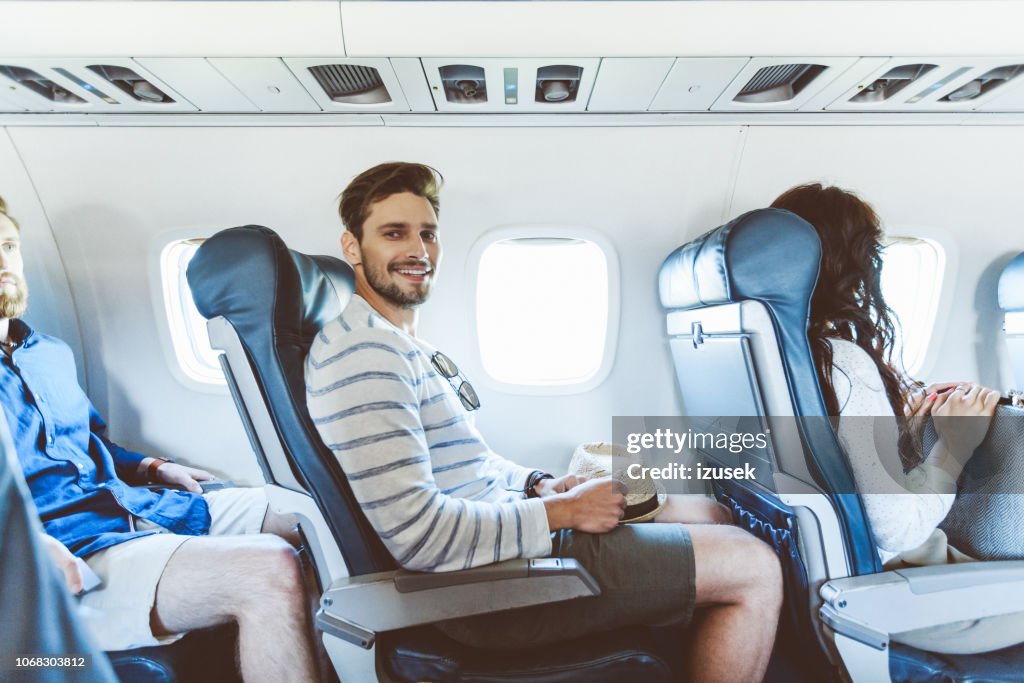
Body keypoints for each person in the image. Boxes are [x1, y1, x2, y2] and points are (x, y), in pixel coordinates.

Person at [306, 162, 783, 683]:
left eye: (427, 234)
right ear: (352, 246)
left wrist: (537, 484)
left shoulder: (402, 344)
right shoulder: (365, 353)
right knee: (754, 566)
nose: (418, 250)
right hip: (483, 588)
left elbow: (470, 463)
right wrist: (562, 511)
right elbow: (419, 536)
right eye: (393, 233)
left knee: (711, 513)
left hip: (504, 545)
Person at [0, 196, 321, 683]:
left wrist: (152, 467)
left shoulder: (49, 353)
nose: (4, 261)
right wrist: (31, 545)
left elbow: (88, 442)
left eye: (8, 245)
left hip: (133, 506)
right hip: (75, 549)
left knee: (309, 514)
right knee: (269, 569)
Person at [769, 184, 1002, 564]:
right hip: (879, 575)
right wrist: (955, 447)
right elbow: (897, 531)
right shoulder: (840, 362)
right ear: (855, 267)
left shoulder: (770, 350)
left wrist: (893, 420)